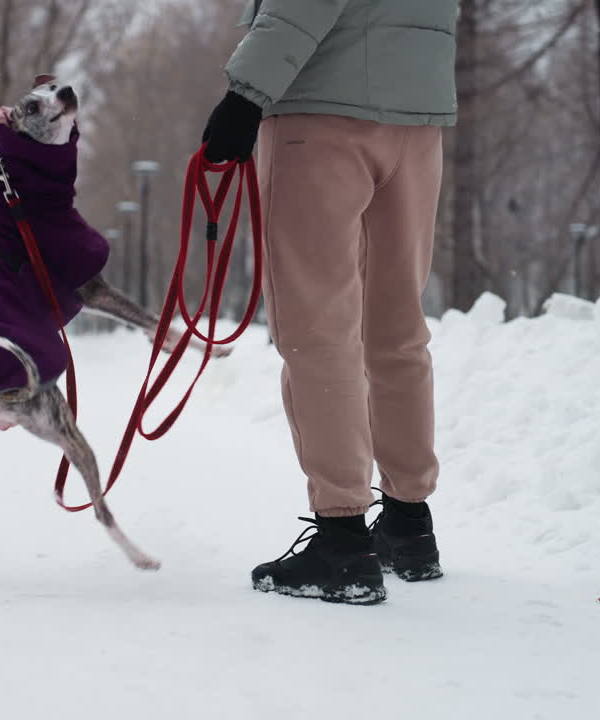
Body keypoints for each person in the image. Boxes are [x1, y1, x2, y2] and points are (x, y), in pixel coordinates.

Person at [202, 0, 458, 605]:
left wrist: (246, 93)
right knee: (395, 323)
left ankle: (342, 541)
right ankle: (407, 524)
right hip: (417, 117)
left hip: (322, 111)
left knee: (317, 326)